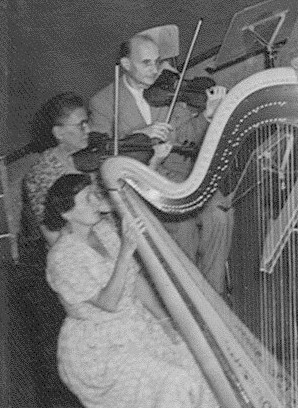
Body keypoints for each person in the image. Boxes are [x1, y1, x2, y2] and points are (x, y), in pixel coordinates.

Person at [41, 174, 210, 408]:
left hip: (137, 324)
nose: (95, 202)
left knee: (197, 360)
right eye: (86, 199)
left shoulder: (105, 231)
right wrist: (125, 252)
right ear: (66, 213)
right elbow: (108, 303)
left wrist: (164, 320)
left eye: (94, 195)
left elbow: (136, 281)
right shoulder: (61, 257)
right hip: (99, 348)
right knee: (175, 381)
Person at [88, 34, 231, 292]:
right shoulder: (103, 102)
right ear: (125, 64)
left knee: (220, 213)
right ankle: (187, 292)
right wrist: (142, 135)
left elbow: (190, 137)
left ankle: (214, 292)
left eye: (157, 61)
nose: (155, 70)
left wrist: (209, 115)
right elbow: (101, 154)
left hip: (183, 174)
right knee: (183, 226)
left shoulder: (167, 89)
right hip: (144, 183)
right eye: (146, 63)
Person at [24, 93, 93, 237]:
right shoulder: (42, 174)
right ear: (59, 133)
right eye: (81, 125)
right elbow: (51, 232)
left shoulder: (90, 155)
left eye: (87, 122)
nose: (88, 130)